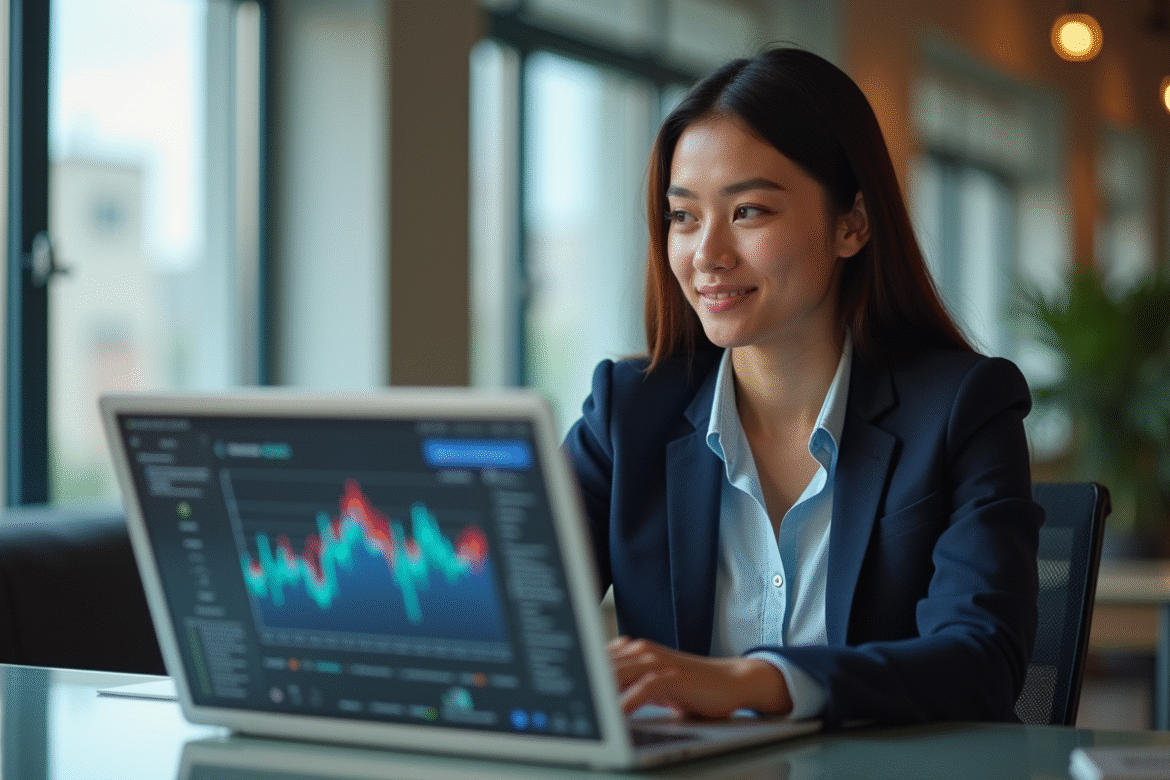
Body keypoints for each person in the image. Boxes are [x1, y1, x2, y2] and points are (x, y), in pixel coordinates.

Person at [563, 47, 1042, 729]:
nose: (707, 256)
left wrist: (750, 682)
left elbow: (981, 661)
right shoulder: (628, 412)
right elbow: (519, 612)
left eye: (750, 211)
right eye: (683, 216)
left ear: (853, 224)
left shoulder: (964, 408)